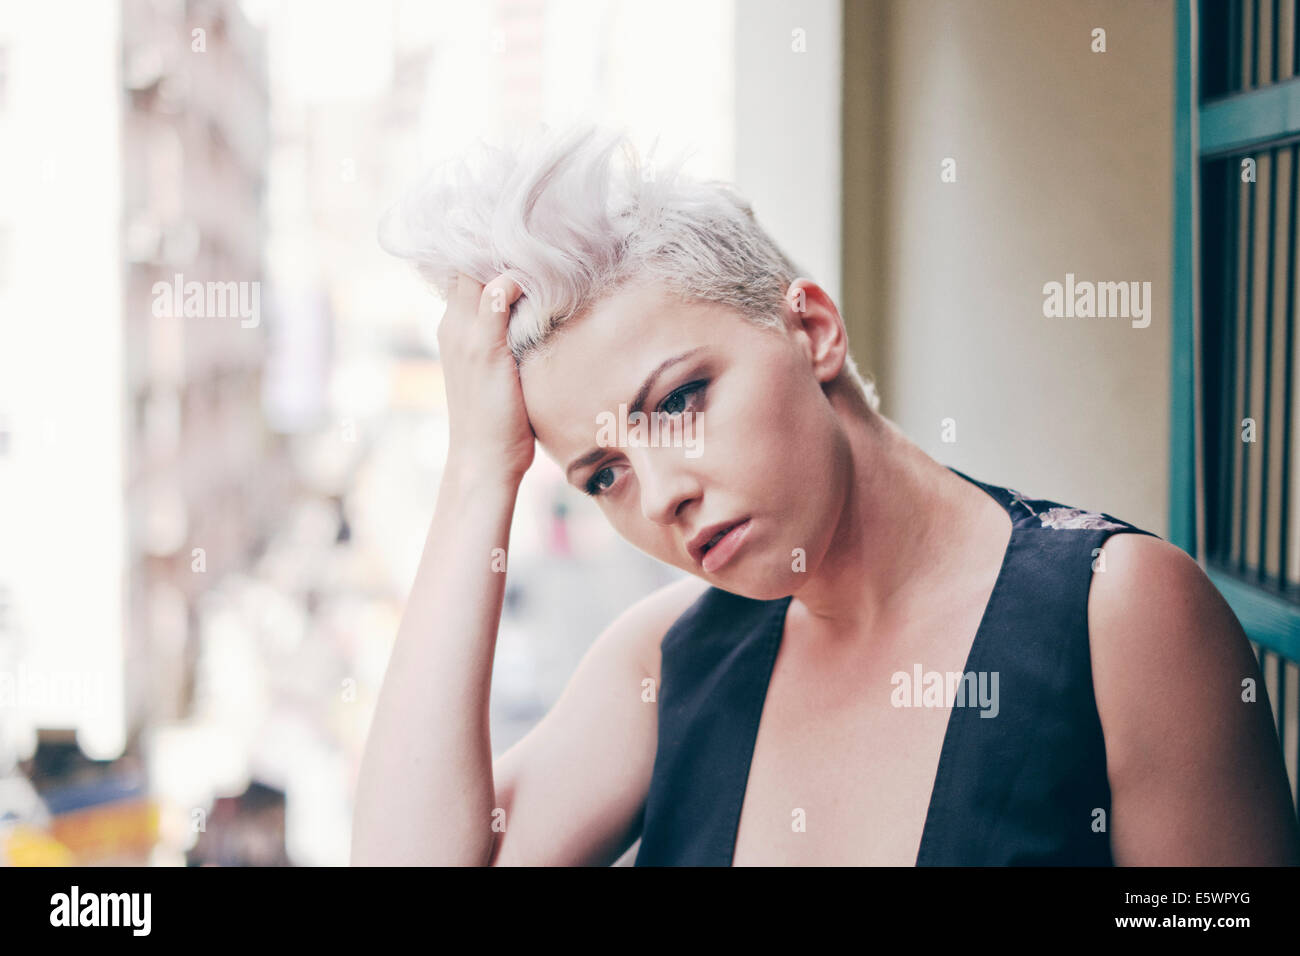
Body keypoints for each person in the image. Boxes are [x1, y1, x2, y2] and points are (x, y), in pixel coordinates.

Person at [350, 123, 1300, 866]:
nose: (664, 494)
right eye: (606, 476)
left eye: (680, 400)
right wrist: (481, 472)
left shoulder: (1115, 613)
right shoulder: (667, 661)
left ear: (811, 329)